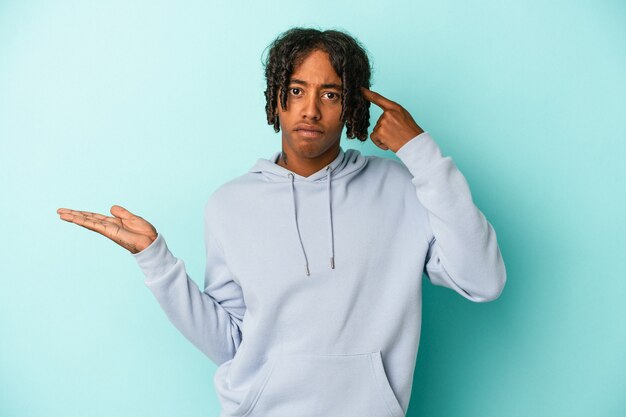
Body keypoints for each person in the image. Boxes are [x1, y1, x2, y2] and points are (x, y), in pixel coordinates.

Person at [57, 27, 506, 417]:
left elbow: (483, 281)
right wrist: (155, 260)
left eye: (329, 94)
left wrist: (420, 151)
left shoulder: (402, 188)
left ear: (351, 105)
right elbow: (230, 344)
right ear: (277, 98)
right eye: (296, 90)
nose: (310, 109)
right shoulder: (229, 204)